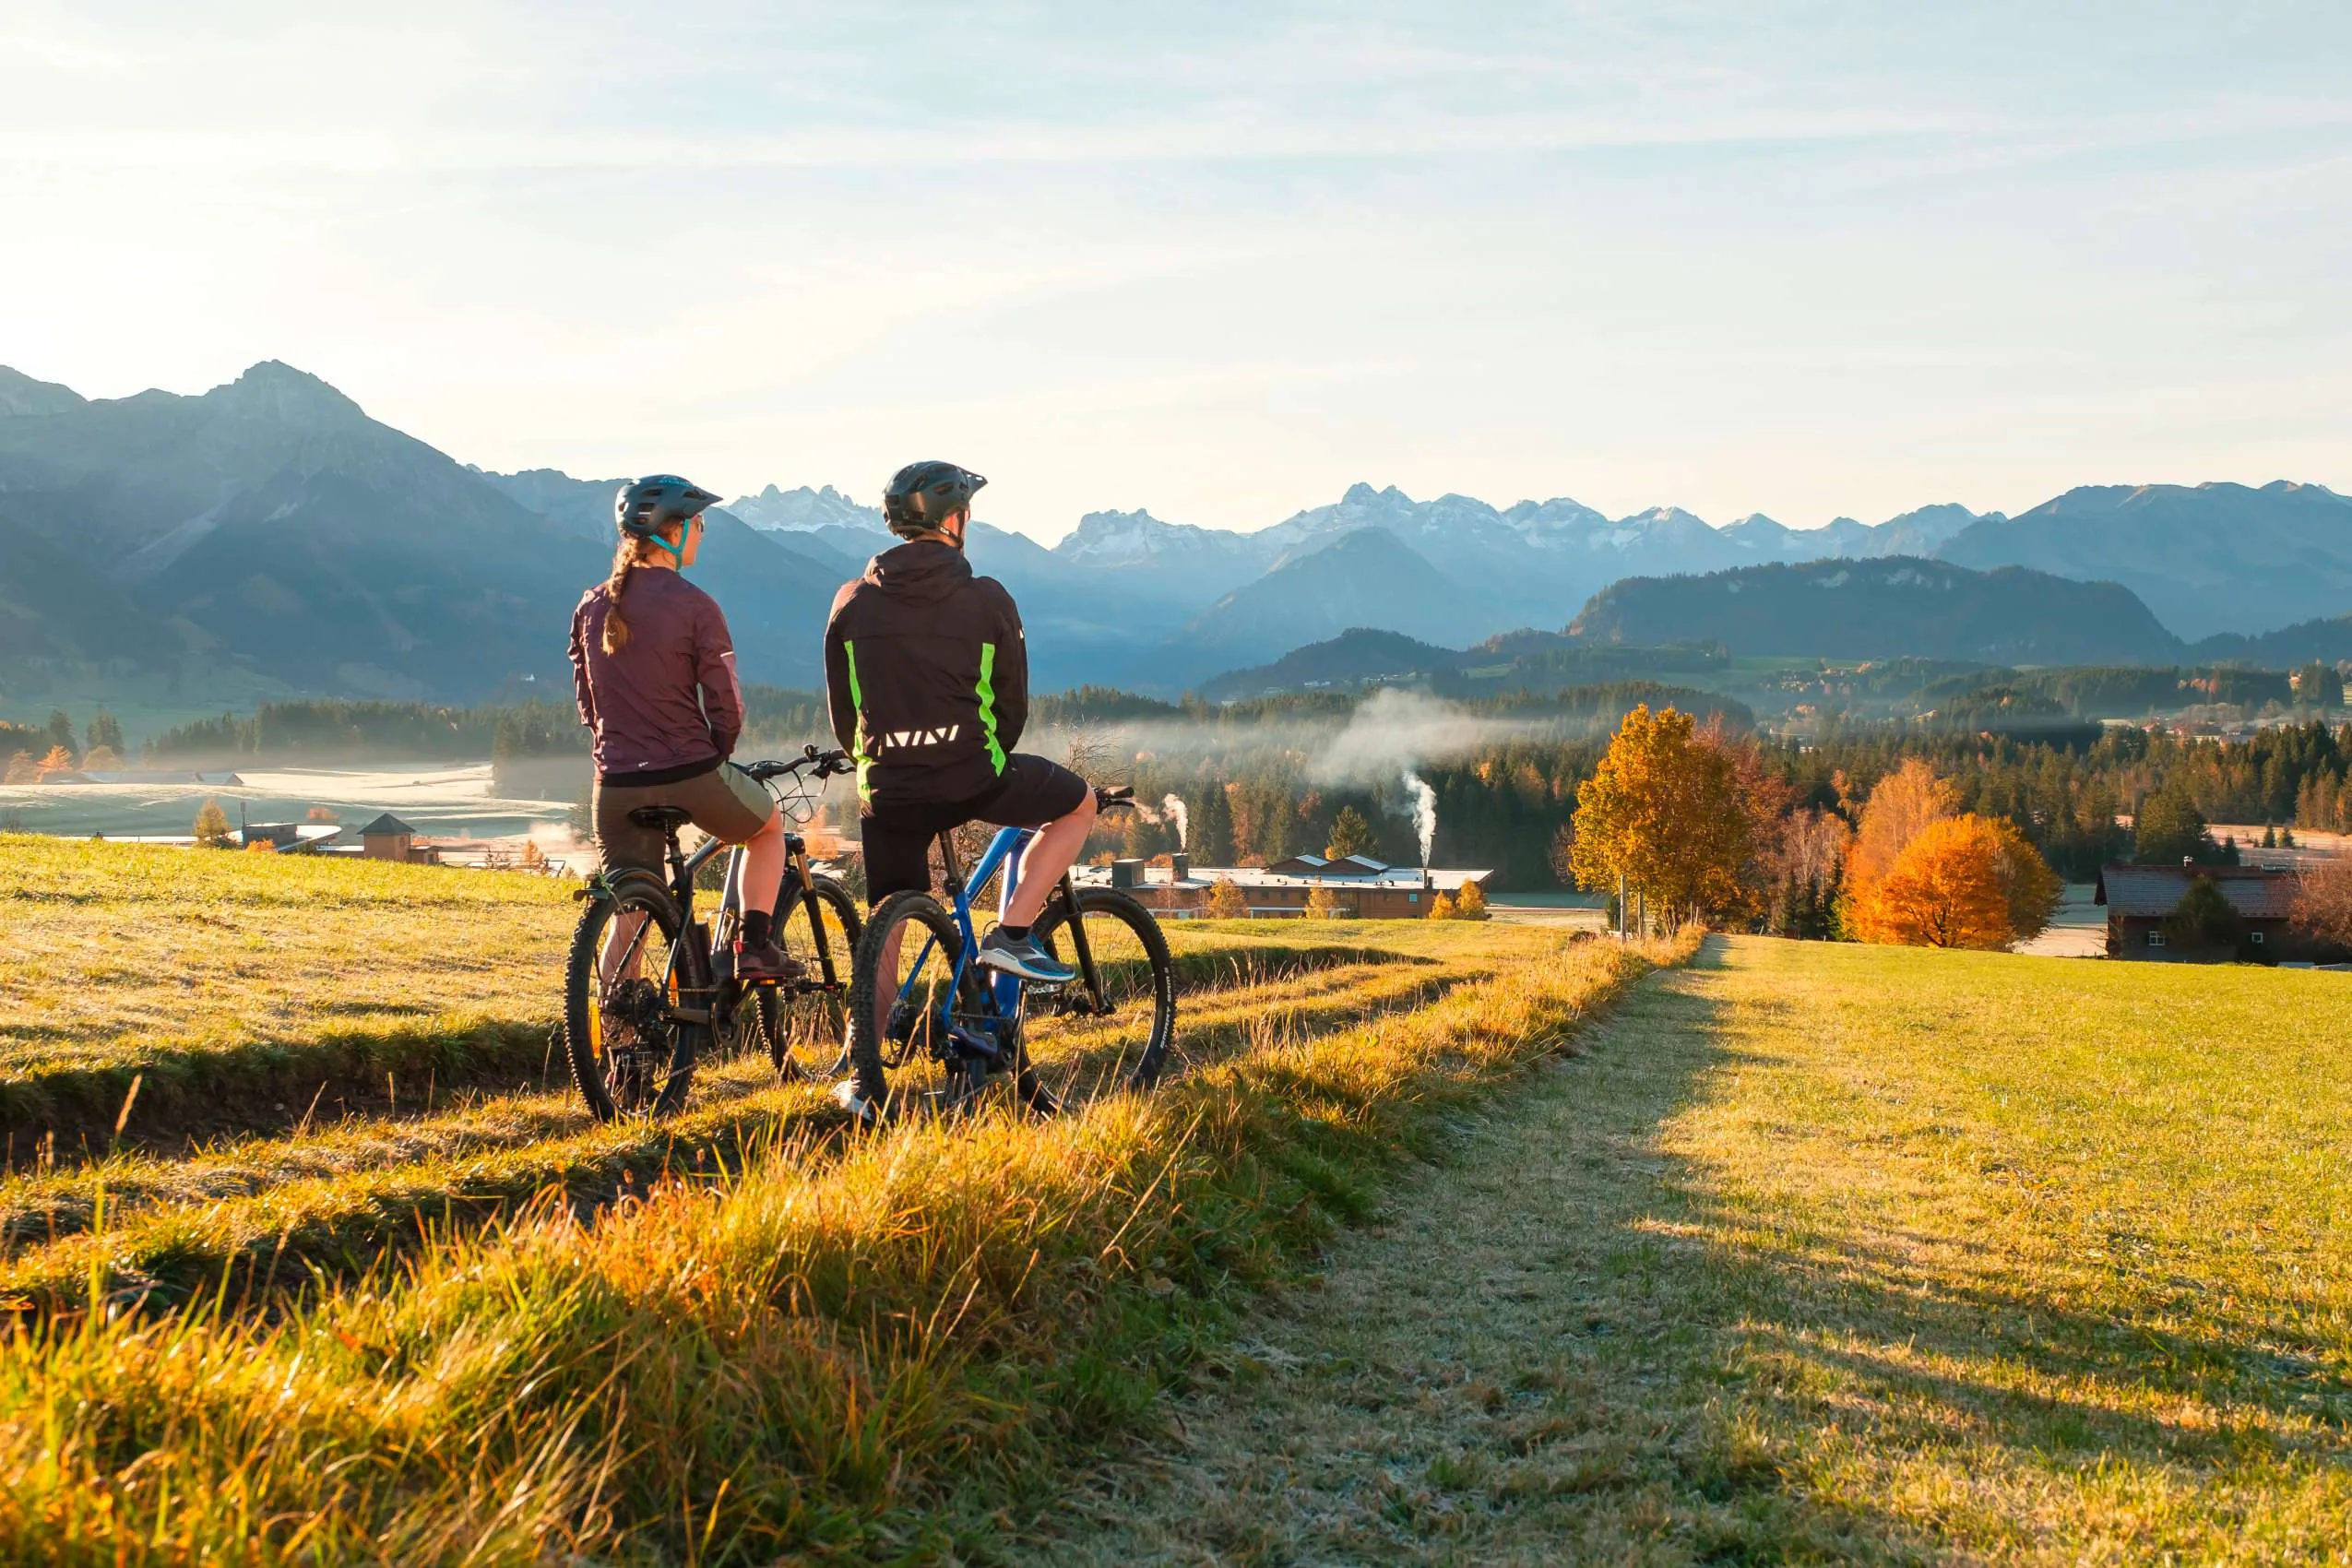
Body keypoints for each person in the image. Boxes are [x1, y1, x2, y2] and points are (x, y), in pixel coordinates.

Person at [823, 460, 1098, 996]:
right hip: (972, 777)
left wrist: (887, 757)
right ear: (955, 520)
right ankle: (1013, 935)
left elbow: (844, 714)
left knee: (887, 926)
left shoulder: (851, 602)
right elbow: (1011, 710)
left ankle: (864, 1071)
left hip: (887, 789)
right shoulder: (989, 598)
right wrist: (974, 755)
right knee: (1078, 805)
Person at [569, 474, 798, 980]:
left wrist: (617, 747)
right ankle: (755, 948)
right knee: (768, 828)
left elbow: (588, 701)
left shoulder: (590, 605)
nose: (702, 531)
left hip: (616, 783)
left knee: (629, 918)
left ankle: (614, 1049)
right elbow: (725, 701)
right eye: (699, 523)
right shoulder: (695, 604)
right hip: (689, 770)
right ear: (674, 533)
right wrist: (716, 753)